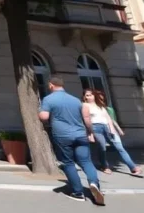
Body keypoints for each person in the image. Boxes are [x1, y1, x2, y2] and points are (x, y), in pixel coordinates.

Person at [39, 76, 104, 205]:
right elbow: (87, 119)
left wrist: (40, 113)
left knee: (68, 163)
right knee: (86, 161)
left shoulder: (48, 99)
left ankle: (78, 192)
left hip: (62, 136)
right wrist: (90, 132)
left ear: (51, 85)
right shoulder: (76, 100)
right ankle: (93, 183)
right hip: (80, 134)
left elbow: (44, 116)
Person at [84, 89, 142, 176]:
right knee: (102, 147)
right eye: (87, 95)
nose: (89, 97)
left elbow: (108, 118)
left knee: (120, 147)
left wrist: (112, 129)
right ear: (84, 97)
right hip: (95, 127)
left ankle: (133, 167)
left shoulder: (100, 105)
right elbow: (86, 119)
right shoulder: (85, 105)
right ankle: (104, 166)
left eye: (91, 95)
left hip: (106, 126)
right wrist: (90, 132)